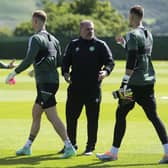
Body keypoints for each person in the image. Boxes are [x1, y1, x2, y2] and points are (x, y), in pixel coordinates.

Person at [96, 5, 168, 164]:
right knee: (153, 116)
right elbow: (140, 53)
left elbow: (132, 59)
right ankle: (167, 151)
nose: (128, 20)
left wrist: (124, 83)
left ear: (134, 17)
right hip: (148, 82)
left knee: (121, 113)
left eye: (129, 17)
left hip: (133, 85)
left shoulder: (132, 34)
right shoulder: (148, 34)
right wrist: (124, 44)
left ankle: (113, 153)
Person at [5, 10, 76, 158]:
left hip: (45, 83)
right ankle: (27, 146)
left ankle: (69, 146)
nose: (32, 24)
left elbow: (29, 58)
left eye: (32, 21)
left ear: (36, 21)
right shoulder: (54, 40)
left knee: (52, 116)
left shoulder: (36, 38)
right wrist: (35, 70)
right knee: (36, 113)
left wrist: (13, 73)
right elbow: (56, 62)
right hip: (52, 81)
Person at [60, 20, 115, 156]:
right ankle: (71, 145)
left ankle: (90, 147)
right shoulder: (73, 45)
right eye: (87, 29)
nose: (90, 31)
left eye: (92, 29)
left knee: (92, 119)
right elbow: (65, 62)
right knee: (71, 118)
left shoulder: (100, 45)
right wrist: (65, 73)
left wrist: (106, 71)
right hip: (75, 88)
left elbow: (110, 61)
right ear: (80, 30)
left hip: (93, 89)